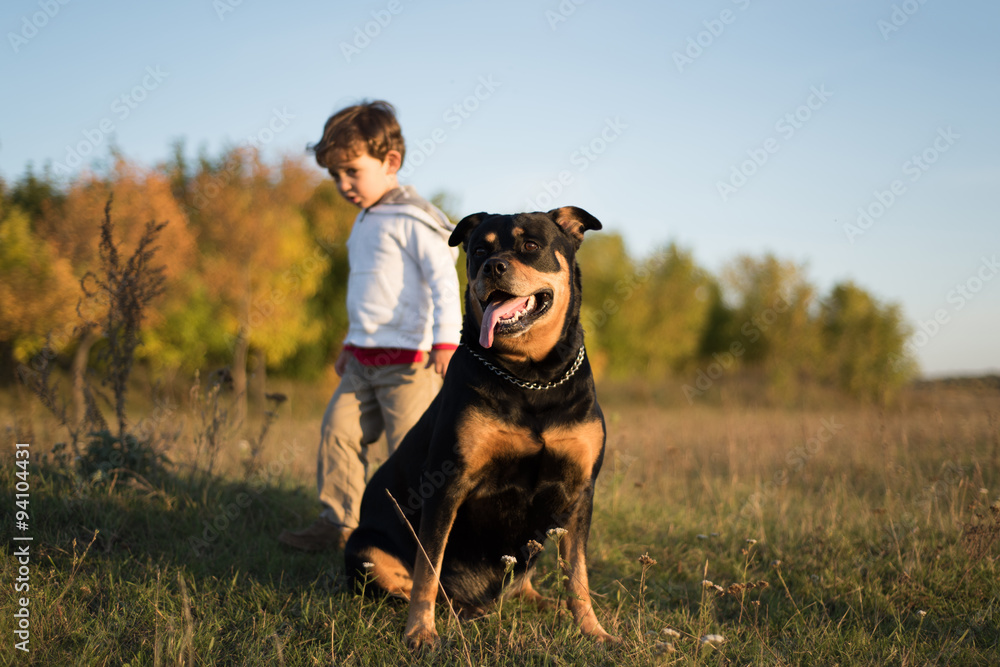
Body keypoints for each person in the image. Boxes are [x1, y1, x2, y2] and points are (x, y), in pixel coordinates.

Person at [279, 100, 462, 551]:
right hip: (363, 360)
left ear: (390, 162)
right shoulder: (365, 220)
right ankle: (338, 523)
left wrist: (446, 341)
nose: (343, 184)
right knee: (338, 432)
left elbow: (443, 278)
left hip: (411, 363)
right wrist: (349, 341)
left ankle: (423, 538)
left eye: (352, 172)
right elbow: (367, 294)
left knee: (412, 453)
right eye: (334, 175)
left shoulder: (414, 217)